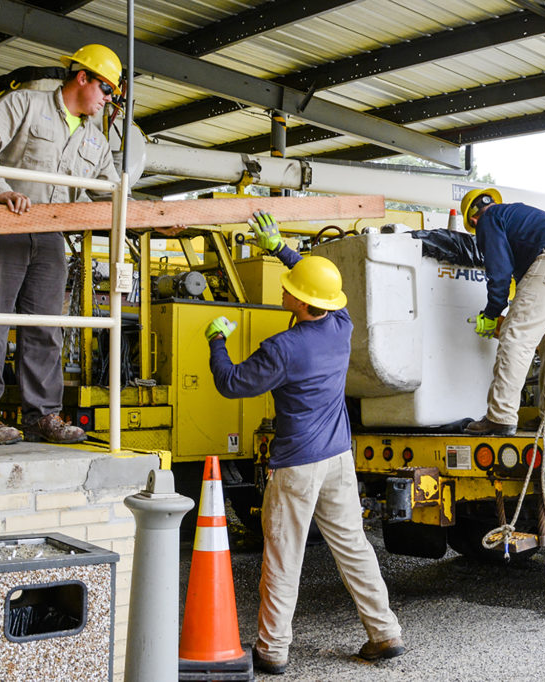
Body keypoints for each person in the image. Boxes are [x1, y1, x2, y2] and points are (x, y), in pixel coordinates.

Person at [206, 211, 404, 675]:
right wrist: (280, 249)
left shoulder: (282, 349)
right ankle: (385, 632)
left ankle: (272, 650)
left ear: (297, 299)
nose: (283, 286)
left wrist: (216, 340)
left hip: (296, 466)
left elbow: (232, 383)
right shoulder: (342, 326)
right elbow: (321, 289)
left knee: (283, 555)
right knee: (353, 546)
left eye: (288, 283)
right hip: (338, 459)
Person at [0, 44, 123, 444]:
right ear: (83, 78)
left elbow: (109, 191)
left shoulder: (95, 139)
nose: (108, 99)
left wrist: (153, 219)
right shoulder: (25, 103)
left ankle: (42, 416)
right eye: (106, 89)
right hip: (0, 224)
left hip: (49, 236)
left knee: (46, 327)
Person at [460, 189, 545, 436]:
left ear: (473, 220)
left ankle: (500, 417)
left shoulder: (489, 220)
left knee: (515, 337)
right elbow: (528, 279)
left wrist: (491, 314)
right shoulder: (515, 215)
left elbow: (499, 273)